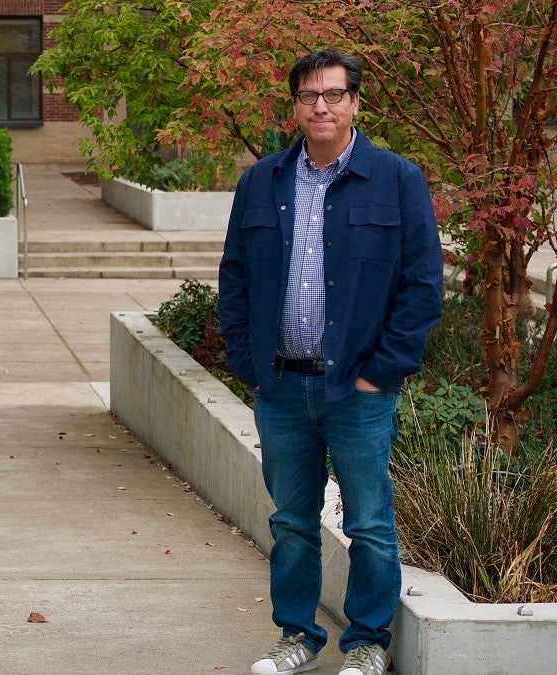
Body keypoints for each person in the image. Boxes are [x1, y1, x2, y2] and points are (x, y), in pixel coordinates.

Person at [218, 49, 443, 675]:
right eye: (310, 95)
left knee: (369, 521)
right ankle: (296, 635)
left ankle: (367, 642)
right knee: (291, 521)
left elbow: (422, 286)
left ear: (355, 103)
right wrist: (248, 361)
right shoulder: (261, 181)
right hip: (281, 385)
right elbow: (234, 277)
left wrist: (381, 372)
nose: (322, 105)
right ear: (295, 106)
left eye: (335, 94)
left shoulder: (396, 179)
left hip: (359, 389)